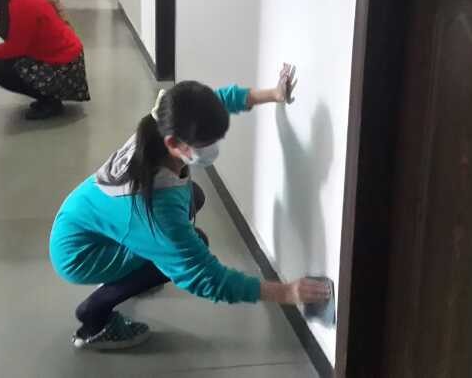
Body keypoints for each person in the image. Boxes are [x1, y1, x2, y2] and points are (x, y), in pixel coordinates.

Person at [49, 68, 330, 351]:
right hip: (81, 255)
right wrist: (285, 292)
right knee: (190, 246)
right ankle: (94, 317)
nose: (213, 148)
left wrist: (274, 94)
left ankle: (140, 264)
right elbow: (205, 277)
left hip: (84, 220)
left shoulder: (161, 122)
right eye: (207, 143)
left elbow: (218, 100)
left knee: (193, 197)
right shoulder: (156, 210)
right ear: (174, 143)